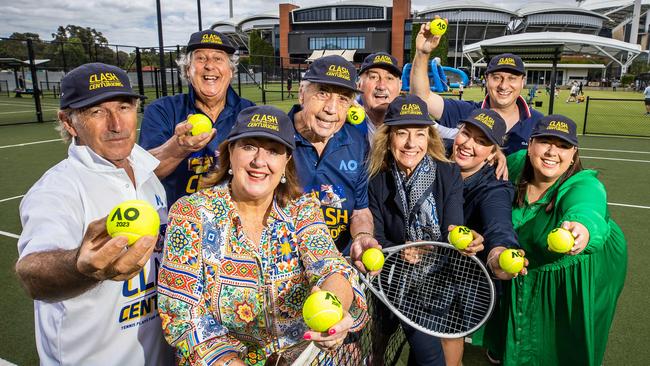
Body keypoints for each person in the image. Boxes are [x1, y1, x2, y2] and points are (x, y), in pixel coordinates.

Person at [157, 105, 368, 365]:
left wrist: (335, 311)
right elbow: (181, 316)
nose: (259, 161)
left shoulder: (302, 210)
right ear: (230, 152)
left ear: (286, 160)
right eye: (248, 146)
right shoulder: (191, 214)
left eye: (273, 150)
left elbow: (331, 267)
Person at [15, 63, 173, 365]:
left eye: (124, 107)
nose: (117, 124)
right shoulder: (57, 190)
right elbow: (32, 275)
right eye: (97, 112)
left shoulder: (147, 173)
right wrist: (80, 267)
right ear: (69, 122)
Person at [352, 95, 485, 366]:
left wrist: (462, 239)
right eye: (402, 133)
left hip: (436, 284)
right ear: (388, 138)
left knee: (428, 359)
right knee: (384, 349)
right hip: (392, 283)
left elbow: (453, 227)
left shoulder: (448, 173)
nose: (411, 143)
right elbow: (377, 236)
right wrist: (401, 251)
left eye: (420, 134)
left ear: (429, 137)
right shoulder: (376, 179)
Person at [486, 115, 627, 365]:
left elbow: (587, 207)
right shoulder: (515, 165)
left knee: (562, 339)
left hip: (581, 269)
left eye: (562, 146)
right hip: (530, 261)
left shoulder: (583, 184)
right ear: (529, 146)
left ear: (573, 154)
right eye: (545, 142)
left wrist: (581, 228)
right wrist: (494, 154)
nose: (552, 151)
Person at [139, 29, 255, 207]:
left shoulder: (250, 113)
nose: (209, 65)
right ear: (187, 70)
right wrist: (178, 147)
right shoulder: (162, 110)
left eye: (218, 58)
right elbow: (144, 175)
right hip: (178, 221)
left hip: (234, 221)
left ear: (231, 71)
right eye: (201, 58)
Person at [448, 108, 528, 364]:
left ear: (493, 153)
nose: (468, 145)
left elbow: (499, 226)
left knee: (445, 343)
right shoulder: (438, 161)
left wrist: (499, 255)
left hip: (463, 284)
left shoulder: (495, 186)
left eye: (481, 142)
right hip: (424, 270)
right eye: (466, 134)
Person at [411, 20, 543, 160]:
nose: (504, 86)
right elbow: (421, 97)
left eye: (512, 78)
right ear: (486, 79)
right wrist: (422, 53)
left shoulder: (538, 122)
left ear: (523, 82)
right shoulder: (466, 112)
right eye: (497, 78)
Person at [288, 55, 378, 253]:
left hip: (338, 262)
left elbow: (360, 209)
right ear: (301, 93)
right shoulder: (275, 137)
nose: (331, 109)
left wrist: (363, 236)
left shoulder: (357, 143)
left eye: (343, 99)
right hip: (284, 265)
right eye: (323, 93)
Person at [355, 51, 457, 144]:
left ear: (400, 86)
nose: (381, 86)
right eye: (373, 77)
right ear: (359, 85)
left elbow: (454, 135)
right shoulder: (344, 116)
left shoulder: (411, 113)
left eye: (389, 78)